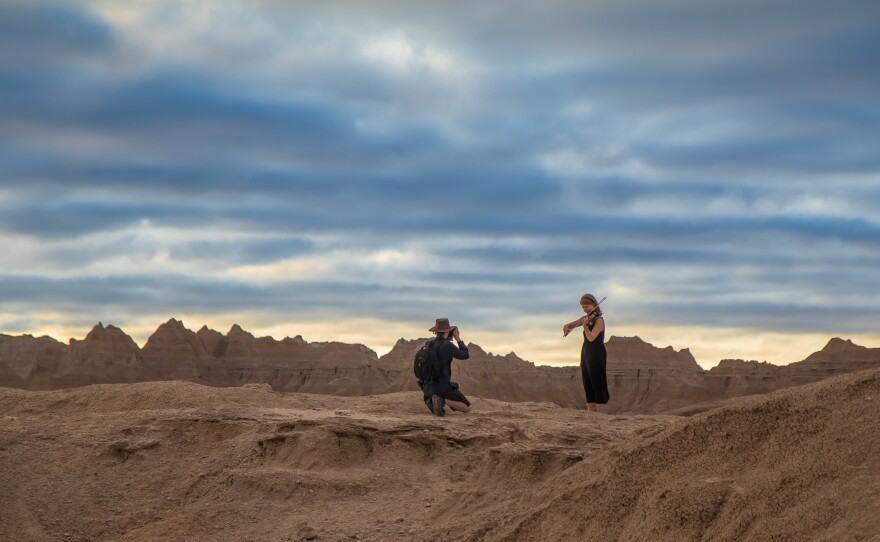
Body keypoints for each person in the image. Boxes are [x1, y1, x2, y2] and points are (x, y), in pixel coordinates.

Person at [562, 293, 609, 412]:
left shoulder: (599, 321)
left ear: (594, 304)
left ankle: (600, 415)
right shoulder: (587, 318)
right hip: (586, 352)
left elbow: (592, 338)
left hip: (597, 353)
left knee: (597, 382)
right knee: (587, 381)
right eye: (583, 307)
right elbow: (570, 325)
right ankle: (590, 414)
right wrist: (567, 327)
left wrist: (586, 328)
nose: (585, 309)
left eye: (586, 306)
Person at [419, 318, 471, 417]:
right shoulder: (447, 345)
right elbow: (465, 355)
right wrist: (458, 338)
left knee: (456, 385)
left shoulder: (427, 344)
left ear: (435, 331)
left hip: (427, 387)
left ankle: (431, 400)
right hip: (440, 387)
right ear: (447, 331)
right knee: (467, 408)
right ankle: (442, 400)